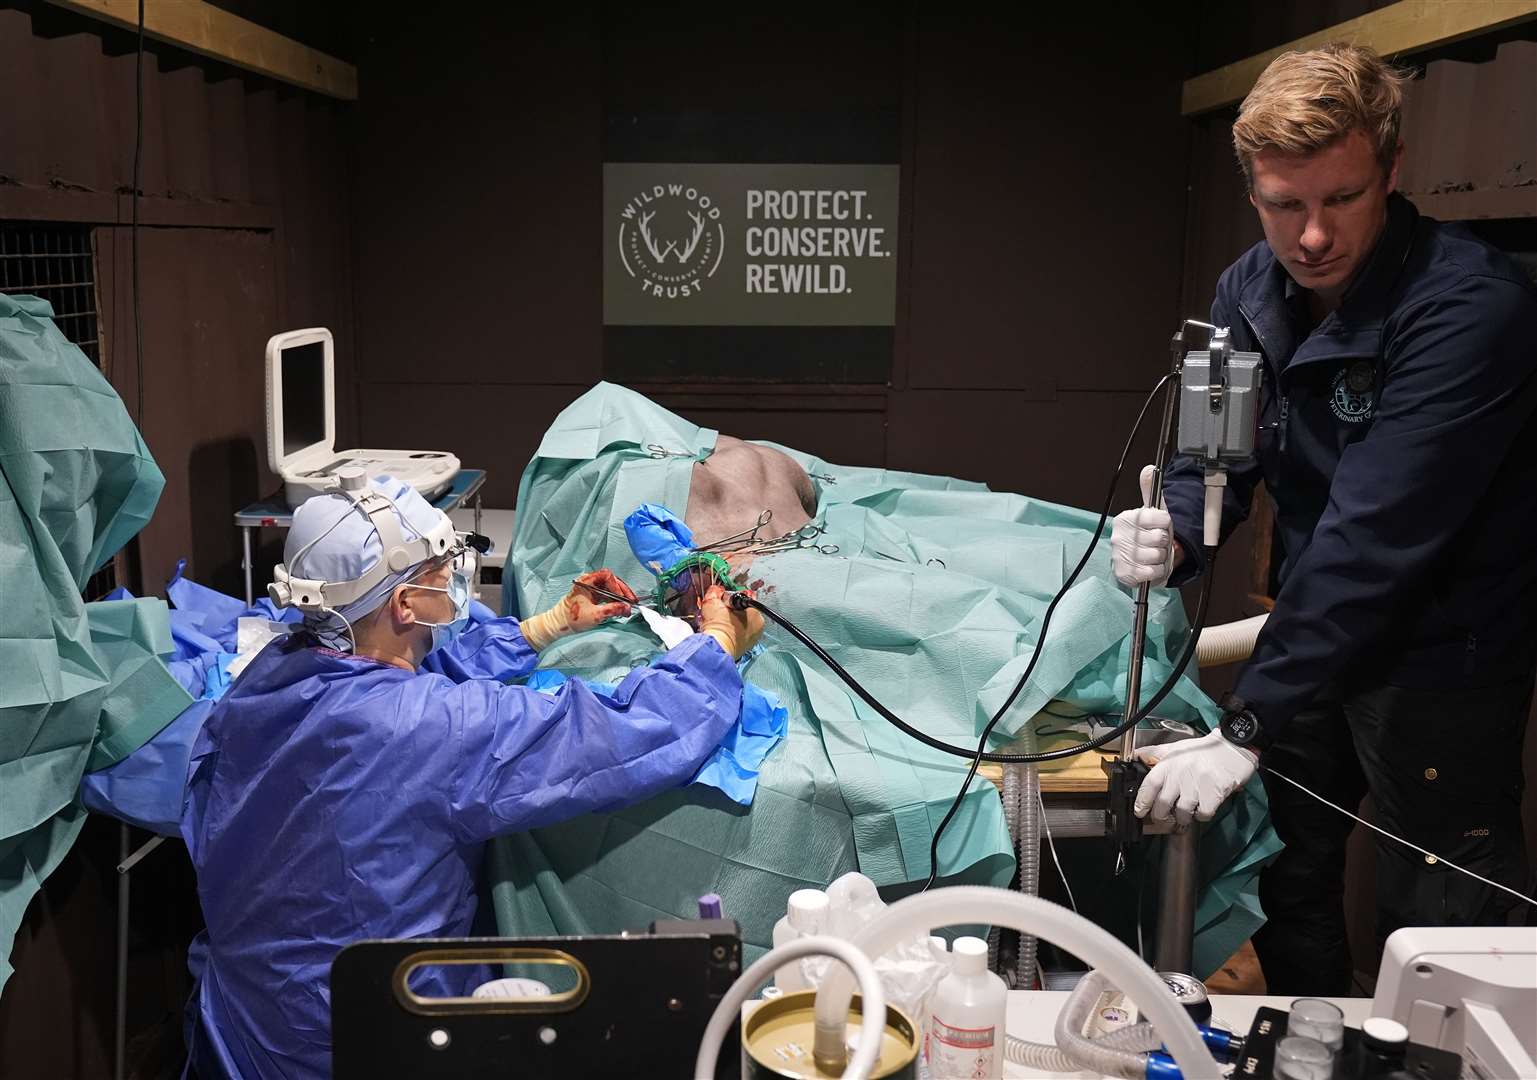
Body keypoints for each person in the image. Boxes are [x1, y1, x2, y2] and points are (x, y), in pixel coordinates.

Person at [1113, 43, 1537, 995]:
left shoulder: (1468, 308)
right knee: (1288, 874)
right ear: (1250, 193)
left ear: (1391, 171)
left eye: (1339, 200)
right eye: (1281, 205)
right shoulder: (1248, 292)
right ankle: (1309, 1041)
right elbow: (1208, 456)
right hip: (1314, 631)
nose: (1309, 238)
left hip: (1437, 658)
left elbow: (1373, 535)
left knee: (1438, 906)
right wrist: (1175, 532)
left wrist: (1249, 718)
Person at [179, 474, 763, 1078]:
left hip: (246, 1022)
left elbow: (400, 682)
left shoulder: (272, 676)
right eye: (440, 567)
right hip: (351, 1038)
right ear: (405, 604)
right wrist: (717, 641)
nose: (451, 575)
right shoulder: (429, 729)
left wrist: (550, 625)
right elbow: (628, 731)